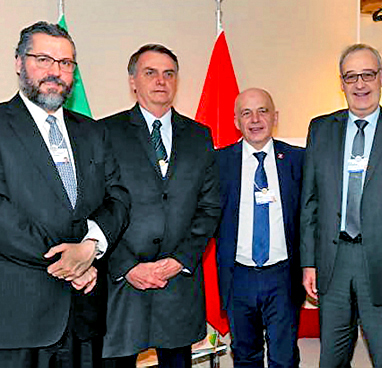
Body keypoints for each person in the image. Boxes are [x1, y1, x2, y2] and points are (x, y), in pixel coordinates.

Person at [0, 21, 130, 368]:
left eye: (66, 63)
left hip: (85, 318)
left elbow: (118, 198)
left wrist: (90, 249)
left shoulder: (93, 131)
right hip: (19, 320)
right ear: (18, 62)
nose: (55, 72)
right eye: (43, 59)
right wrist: (70, 264)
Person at [300, 43, 382, 368]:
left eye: (368, 75)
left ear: (381, 78)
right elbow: (310, 202)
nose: (360, 84)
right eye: (351, 77)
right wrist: (308, 263)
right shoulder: (320, 129)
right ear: (341, 83)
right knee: (330, 360)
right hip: (333, 263)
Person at [100, 44, 220, 368]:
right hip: (124, 285)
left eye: (169, 73)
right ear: (133, 81)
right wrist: (127, 266)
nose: (160, 81)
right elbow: (96, 207)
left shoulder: (199, 136)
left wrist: (180, 259)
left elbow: (209, 208)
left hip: (177, 284)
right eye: (150, 72)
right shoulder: (104, 132)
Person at [216, 88, 305, 368]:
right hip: (238, 275)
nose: (255, 119)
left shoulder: (298, 160)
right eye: (246, 113)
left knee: (284, 356)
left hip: (282, 275)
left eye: (262, 111)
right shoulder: (218, 163)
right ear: (236, 121)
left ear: (275, 117)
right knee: (245, 355)